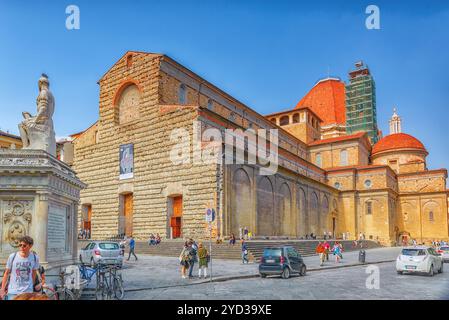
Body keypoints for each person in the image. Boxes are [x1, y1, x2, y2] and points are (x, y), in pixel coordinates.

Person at [0, 236, 41, 301]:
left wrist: (31, 286)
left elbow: (34, 273)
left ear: (30, 246)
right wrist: (2, 289)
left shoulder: (35, 257)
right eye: (20, 245)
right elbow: (6, 273)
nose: (22, 247)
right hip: (13, 292)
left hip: (28, 292)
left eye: (24, 245)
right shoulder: (12, 256)